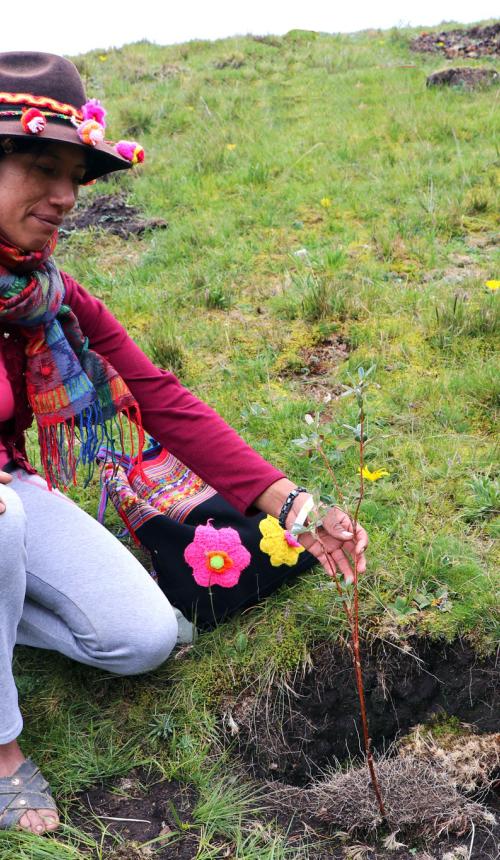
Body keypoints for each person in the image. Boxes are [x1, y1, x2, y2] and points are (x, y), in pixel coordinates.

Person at [0, 51, 368, 835]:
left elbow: (161, 398)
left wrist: (295, 506)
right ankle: (2, 753)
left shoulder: (46, 296)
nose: (66, 197)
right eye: (42, 168)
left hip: (6, 485)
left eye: (77, 176)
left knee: (144, 639)